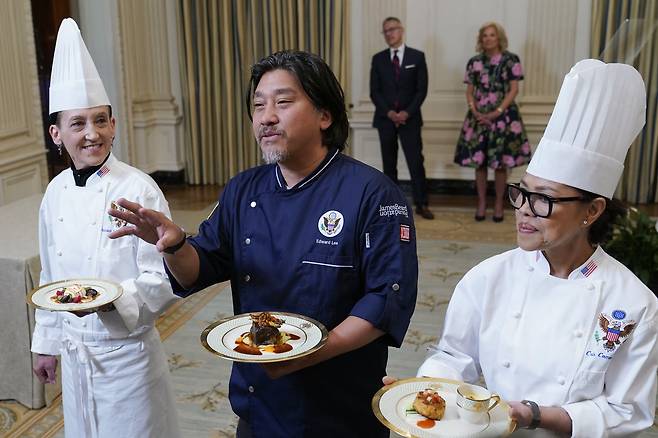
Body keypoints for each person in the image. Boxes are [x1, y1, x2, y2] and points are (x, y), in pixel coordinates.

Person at [109, 50, 418, 438]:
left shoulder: (374, 194)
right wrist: (173, 246)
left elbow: (384, 300)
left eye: (283, 102)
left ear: (325, 115)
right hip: (259, 402)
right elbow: (198, 269)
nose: (266, 116)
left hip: (339, 409)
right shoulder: (243, 189)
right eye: (258, 105)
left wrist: (310, 354)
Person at [395, 60, 657, 437]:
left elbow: (627, 410)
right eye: (522, 192)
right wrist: (429, 388)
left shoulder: (634, 303)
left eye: (544, 200)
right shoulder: (489, 277)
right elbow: (454, 357)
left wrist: (536, 415)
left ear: (592, 211)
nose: (523, 210)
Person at [30, 18, 180, 438]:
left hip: (126, 355)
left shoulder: (139, 188)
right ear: (57, 134)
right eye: (78, 123)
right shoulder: (55, 192)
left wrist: (112, 300)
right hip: (77, 358)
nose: (92, 134)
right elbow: (50, 274)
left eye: (100, 120)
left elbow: (164, 277)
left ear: (114, 125)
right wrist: (46, 342)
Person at [454, 22, 531, 222]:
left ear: (499, 38)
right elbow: (469, 91)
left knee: (499, 164)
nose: (488, 39)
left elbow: (514, 89)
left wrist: (497, 111)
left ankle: (498, 203)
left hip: (503, 118)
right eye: (485, 36)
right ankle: (481, 203)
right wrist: (475, 111)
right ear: (481, 40)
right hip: (478, 118)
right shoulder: (474, 62)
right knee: (479, 164)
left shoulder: (511, 60)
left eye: (492, 35)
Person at [370, 17, 433, 220]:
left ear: (401, 30)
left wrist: (407, 112)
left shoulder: (417, 57)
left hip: (410, 119)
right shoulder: (378, 59)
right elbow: (375, 91)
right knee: (389, 164)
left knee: (416, 162)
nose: (389, 34)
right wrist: (389, 113)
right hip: (385, 119)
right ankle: (392, 206)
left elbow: (421, 90)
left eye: (392, 29)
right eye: (385, 31)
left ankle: (422, 204)